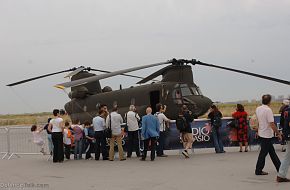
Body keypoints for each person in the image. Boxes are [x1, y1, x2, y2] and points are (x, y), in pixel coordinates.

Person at [255, 94, 282, 175]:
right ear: (269, 101)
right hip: (267, 134)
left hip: (261, 133)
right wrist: (278, 133)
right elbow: (272, 124)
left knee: (271, 152)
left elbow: (257, 121)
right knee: (263, 153)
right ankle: (258, 170)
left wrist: (257, 131)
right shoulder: (268, 110)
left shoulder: (258, 108)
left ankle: (279, 167)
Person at [277, 102, 290, 182]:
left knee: (287, 155)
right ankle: (281, 175)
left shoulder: (286, 110)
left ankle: (281, 175)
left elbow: (282, 123)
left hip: (287, 134)